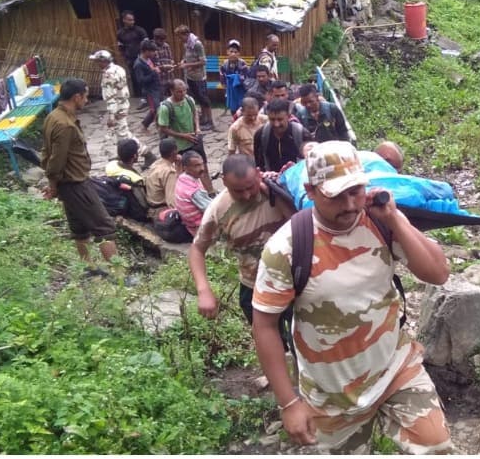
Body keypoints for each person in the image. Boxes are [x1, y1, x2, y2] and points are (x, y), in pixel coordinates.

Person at [251, 140, 453, 453]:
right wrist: (289, 402)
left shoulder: (379, 222)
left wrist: (394, 218)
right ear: (312, 190)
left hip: (396, 369)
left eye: (355, 191)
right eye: (336, 195)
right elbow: (264, 325)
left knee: (437, 447)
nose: (349, 205)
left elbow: (438, 273)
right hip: (331, 393)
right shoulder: (288, 247)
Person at [189, 154, 296, 387]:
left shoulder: (278, 191)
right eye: (239, 191)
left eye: (250, 187)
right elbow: (197, 250)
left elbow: (302, 224)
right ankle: (280, 382)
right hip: (254, 285)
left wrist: (276, 196)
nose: (247, 195)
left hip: (294, 282)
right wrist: (203, 290)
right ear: (225, 185)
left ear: (258, 174)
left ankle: (305, 378)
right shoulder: (219, 210)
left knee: (303, 335)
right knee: (269, 339)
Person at [42, 79, 119, 274]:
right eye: (85, 96)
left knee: (79, 228)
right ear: (76, 97)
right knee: (104, 227)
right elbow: (56, 160)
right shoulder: (65, 124)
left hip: (68, 183)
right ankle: (119, 274)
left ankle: (88, 268)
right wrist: (53, 184)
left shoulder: (52, 117)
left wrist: (54, 184)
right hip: (76, 183)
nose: (86, 100)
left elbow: (46, 152)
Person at [88, 49, 153, 167]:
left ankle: (145, 153)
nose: (97, 64)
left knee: (123, 134)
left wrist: (112, 115)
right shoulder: (119, 69)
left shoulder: (108, 74)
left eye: (98, 61)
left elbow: (111, 96)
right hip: (124, 103)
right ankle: (125, 156)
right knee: (120, 133)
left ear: (103, 61)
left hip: (117, 108)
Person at [158, 79, 214, 194]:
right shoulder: (166, 107)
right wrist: (183, 135)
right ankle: (188, 194)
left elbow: (195, 114)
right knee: (184, 172)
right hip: (179, 145)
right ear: (171, 91)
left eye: (184, 90)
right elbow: (163, 128)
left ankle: (210, 191)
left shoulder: (189, 100)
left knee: (203, 167)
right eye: (179, 91)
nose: (183, 93)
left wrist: (197, 127)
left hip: (194, 139)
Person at [253, 97, 311, 175]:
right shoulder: (261, 135)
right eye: (272, 119)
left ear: (289, 116)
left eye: (280, 119)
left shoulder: (302, 134)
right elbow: (259, 164)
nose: (276, 124)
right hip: (271, 181)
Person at [175, 24, 215, 132]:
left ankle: (210, 122)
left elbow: (203, 61)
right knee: (198, 98)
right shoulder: (187, 45)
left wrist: (187, 66)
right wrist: (183, 61)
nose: (179, 39)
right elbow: (186, 57)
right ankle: (204, 119)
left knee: (204, 99)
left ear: (186, 34)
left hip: (199, 77)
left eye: (180, 36)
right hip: (190, 76)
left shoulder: (197, 44)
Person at [174, 150, 212, 237]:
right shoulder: (194, 191)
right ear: (185, 168)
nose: (202, 168)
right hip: (200, 229)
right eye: (197, 166)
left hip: (190, 224)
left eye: (202, 164)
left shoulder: (182, 178)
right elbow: (211, 210)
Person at [116, 10, 148, 103]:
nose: (132, 22)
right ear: (124, 20)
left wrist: (144, 55)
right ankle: (138, 96)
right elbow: (120, 46)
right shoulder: (120, 33)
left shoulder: (139, 30)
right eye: (129, 20)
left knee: (144, 75)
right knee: (134, 76)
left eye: (133, 20)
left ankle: (146, 95)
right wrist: (124, 56)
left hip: (141, 58)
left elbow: (146, 43)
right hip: (130, 58)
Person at [135, 39, 164, 130]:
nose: (155, 53)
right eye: (153, 51)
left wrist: (160, 69)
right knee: (155, 109)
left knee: (159, 107)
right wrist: (154, 73)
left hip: (156, 87)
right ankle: (160, 128)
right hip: (149, 91)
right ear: (146, 51)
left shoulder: (148, 59)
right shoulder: (138, 64)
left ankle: (145, 125)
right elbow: (140, 81)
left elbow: (153, 69)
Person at [145, 138, 180, 212]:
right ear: (174, 152)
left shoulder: (156, 164)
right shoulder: (169, 172)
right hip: (161, 208)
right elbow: (172, 201)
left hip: (151, 203)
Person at [221, 39, 250, 117]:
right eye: (231, 51)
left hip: (241, 89)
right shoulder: (224, 64)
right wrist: (225, 85)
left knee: (242, 107)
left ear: (239, 53)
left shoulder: (243, 63)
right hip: (230, 90)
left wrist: (235, 78)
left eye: (235, 52)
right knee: (233, 108)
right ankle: (234, 120)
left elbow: (246, 77)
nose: (233, 54)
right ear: (227, 52)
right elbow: (222, 77)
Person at [151, 28, 176, 100]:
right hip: (159, 78)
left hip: (169, 76)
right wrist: (164, 67)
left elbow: (170, 58)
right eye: (160, 40)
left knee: (172, 97)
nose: (162, 42)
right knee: (160, 98)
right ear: (155, 38)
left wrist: (172, 63)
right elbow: (153, 64)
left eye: (163, 40)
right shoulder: (151, 47)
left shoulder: (166, 45)